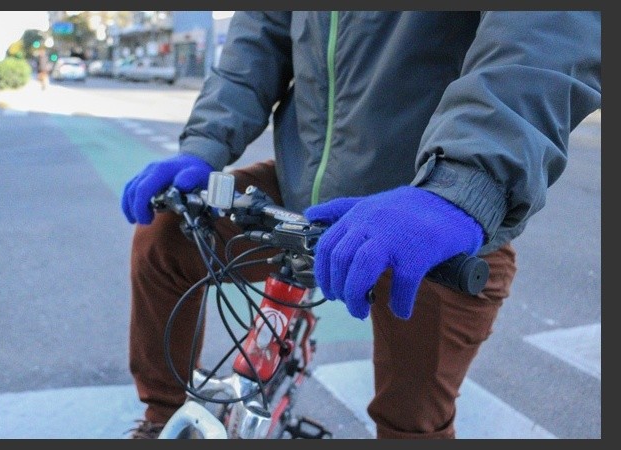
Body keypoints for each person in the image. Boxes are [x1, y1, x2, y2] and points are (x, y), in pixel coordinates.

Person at [120, 11, 600, 439]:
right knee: (166, 233)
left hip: (427, 213)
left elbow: (544, 32)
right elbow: (258, 37)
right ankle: (163, 419)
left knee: (411, 421)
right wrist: (203, 145)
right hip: (301, 191)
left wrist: (462, 186)